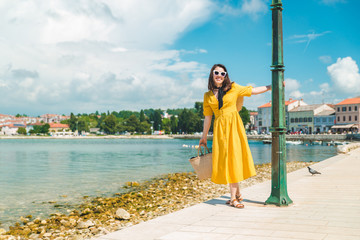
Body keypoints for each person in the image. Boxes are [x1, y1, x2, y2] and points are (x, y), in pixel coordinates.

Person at [199, 63, 273, 209]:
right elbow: (208, 118)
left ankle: (233, 198)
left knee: (233, 159)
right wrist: (203, 137)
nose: (219, 76)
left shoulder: (233, 87)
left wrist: (272, 86)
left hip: (234, 128)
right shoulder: (207, 96)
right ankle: (237, 194)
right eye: (216, 73)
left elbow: (253, 91)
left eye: (222, 73)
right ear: (212, 74)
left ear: (225, 76)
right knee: (227, 160)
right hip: (220, 130)